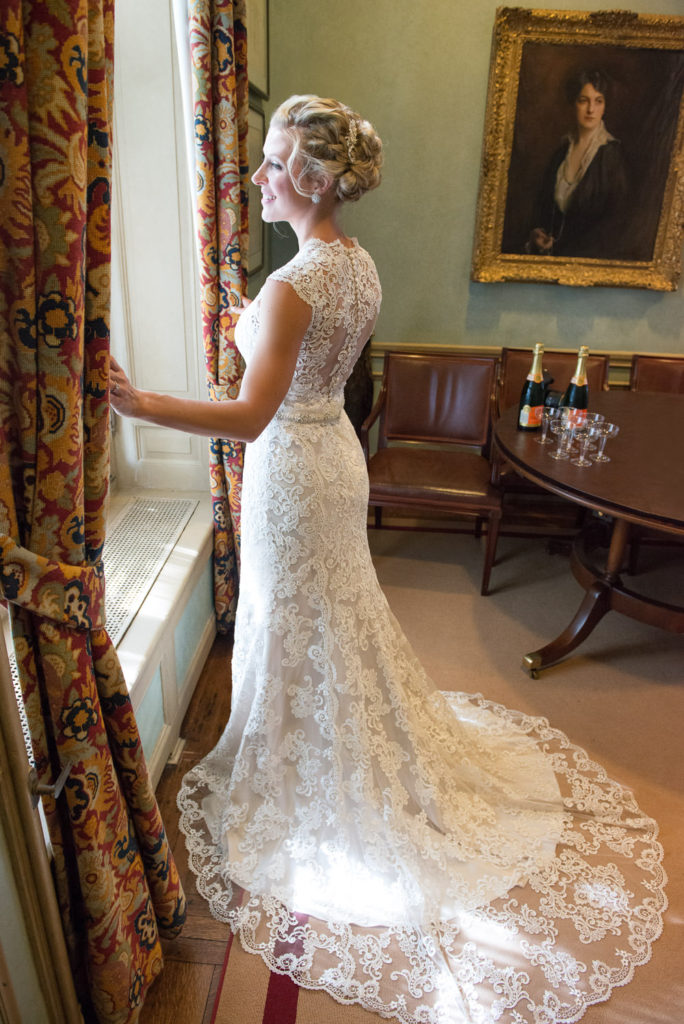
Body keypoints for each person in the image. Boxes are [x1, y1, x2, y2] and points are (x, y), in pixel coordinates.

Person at [110, 95, 664, 1024]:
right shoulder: (351, 264)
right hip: (331, 457)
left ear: (315, 181)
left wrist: (144, 406)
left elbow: (250, 416)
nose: (256, 177)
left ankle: (313, 771)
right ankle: (310, 740)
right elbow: (309, 380)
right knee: (329, 614)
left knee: (305, 614)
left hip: (293, 468)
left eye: (274, 163)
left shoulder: (295, 284)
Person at [526, 68, 629, 258]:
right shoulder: (561, 153)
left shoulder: (612, 155)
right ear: (573, 103)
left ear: (605, 107)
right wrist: (538, 234)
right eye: (584, 100)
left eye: (598, 101)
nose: (591, 109)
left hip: (591, 261)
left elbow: (616, 223)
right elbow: (543, 210)